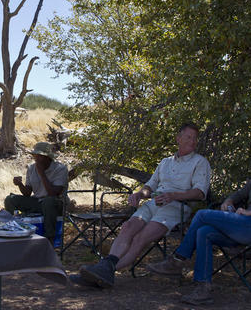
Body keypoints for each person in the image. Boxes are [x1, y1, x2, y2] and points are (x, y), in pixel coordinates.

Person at [147, 138, 251, 305]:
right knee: (204, 232)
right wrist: (228, 202)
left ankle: (177, 260)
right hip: (246, 225)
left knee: (203, 215)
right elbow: (239, 194)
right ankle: (203, 288)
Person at [71, 122, 211, 289]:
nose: (193, 141)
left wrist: (174, 195)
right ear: (178, 138)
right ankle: (103, 270)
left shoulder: (200, 162)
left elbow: (200, 193)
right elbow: (149, 186)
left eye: (195, 138)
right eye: (189, 137)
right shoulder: (165, 162)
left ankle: (106, 270)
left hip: (177, 207)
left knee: (140, 237)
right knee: (128, 227)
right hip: (154, 203)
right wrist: (138, 194)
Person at [4, 142, 68, 245]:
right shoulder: (32, 168)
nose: (36, 159)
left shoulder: (60, 169)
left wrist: (42, 174)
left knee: (48, 201)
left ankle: (49, 238)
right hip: (38, 202)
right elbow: (27, 193)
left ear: (48, 158)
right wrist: (20, 184)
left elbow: (53, 193)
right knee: (10, 199)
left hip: (56, 203)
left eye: (39, 156)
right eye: (35, 156)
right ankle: (13, 229)